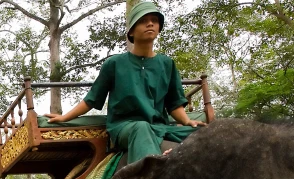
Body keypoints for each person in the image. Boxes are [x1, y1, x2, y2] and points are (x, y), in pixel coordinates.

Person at [45, 2, 206, 164]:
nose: (150, 23)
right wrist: (65, 116)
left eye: (154, 20)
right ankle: (152, 172)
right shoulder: (114, 64)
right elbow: (91, 100)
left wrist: (187, 121)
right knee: (141, 127)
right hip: (125, 127)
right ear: (131, 31)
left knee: (205, 133)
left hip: (160, 127)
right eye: (143, 20)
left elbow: (174, 104)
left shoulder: (166, 64)